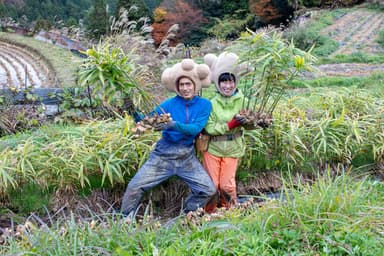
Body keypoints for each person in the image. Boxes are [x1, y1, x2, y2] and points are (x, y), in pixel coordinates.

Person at [121, 59, 216, 217]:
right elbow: (147, 121)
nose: (185, 88)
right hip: (163, 154)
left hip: (186, 156)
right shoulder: (169, 104)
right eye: (181, 85)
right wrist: (133, 112)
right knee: (134, 187)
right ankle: (125, 219)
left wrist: (172, 125)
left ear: (195, 85)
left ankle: (187, 214)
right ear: (177, 87)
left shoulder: (204, 104)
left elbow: (195, 129)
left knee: (207, 189)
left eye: (188, 84)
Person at [202, 52, 250, 212]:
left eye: (230, 81)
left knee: (226, 186)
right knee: (211, 186)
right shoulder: (211, 104)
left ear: (235, 82)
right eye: (223, 82)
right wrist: (231, 124)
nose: (227, 86)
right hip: (213, 149)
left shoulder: (244, 101)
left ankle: (231, 213)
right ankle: (207, 214)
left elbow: (250, 125)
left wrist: (256, 122)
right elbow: (209, 128)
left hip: (233, 148)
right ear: (217, 83)